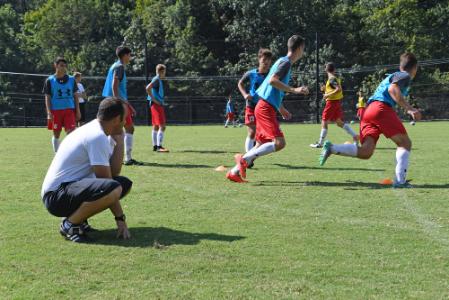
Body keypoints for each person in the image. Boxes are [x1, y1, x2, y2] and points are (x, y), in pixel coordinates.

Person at [319, 53, 422, 188]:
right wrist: (409, 108)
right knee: (405, 143)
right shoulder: (405, 75)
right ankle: (400, 181)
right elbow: (392, 89)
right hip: (381, 108)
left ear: (400, 65)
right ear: (414, 68)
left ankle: (332, 148)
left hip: (369, 111)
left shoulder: (394, 75)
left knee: (366, 152)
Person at [41, 97, 133, 243]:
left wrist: (120, 142)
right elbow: (108, 183)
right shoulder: (97, 137)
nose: (127, 121)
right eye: (125, 117)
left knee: (123, 184)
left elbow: (114, 174)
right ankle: (70, 225)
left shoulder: (97, 131)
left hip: (65, 189)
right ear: (116, 119)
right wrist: (120, 218)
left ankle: (79, 220)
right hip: (56, 196)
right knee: (115, 188)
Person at [226, 35, 309, 183]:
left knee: (259, 144)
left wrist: (280, 108)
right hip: (265, 108)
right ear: (299, 48)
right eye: (303, 49)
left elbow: (271, 89)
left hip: (264, 106)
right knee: (280, 143)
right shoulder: (286, 63)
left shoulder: (280, 61)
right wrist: (294, 90)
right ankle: (243, 159)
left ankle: (234, 172)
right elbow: (272, 81)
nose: (303, 52)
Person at [102, 46, 142, 165]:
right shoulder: (119, 67)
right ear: (124, 55)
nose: (130, 57)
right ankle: (127, 158)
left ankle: (109, 158)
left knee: (115, 130)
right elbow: (115, 86)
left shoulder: (114, 65)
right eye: (129, 55)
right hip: (117, 102)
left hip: (112, 101)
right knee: (127, 128)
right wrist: (119, 103)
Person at [310, 63, 358, 148]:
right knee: (339, 123)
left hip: (332, 103)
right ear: (334, 70)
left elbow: (338, 89)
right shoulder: (333, 79)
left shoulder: (332, 79)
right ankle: (355, 136)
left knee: (324, 121)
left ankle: (320, 143)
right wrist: (325, 90)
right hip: (336, 102)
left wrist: (327, 95)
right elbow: (336, 89)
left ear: (326, 70)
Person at [237, 48, 273, 154]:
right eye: (264, 60)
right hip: (251, 106)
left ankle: (251, 153)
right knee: (252, 132)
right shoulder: (251, 73)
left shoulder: (271, 76)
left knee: (262, 135)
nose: (266, 63)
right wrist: (245, 94)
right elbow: (240, 83)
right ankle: (247, 160)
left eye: (268, 61)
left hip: (264, 108)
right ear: (259, 60)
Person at [43, 57, 80, 153]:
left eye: (65, 66)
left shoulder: (72, 79)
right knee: (56, 134)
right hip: (56, 111)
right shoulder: (49, 80)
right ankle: (57, 154)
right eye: (61, 65)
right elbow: (47, 97)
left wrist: (78, 110)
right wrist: (48, 112)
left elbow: (76, 96)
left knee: (71, 133)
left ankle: (69, 154)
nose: (63, 68)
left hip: (69, 110)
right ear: (55, 66)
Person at [146, 64, 169, 152]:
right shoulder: (156, 79)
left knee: (155, 126)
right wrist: (154, 100)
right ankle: (159, 147)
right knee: (162, 126)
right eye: (164, 72)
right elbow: (147, 88)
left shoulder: (158, 80)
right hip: (156, 105)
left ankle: (155, 146)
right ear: (161, 71)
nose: (165, 74)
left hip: (155, 105)